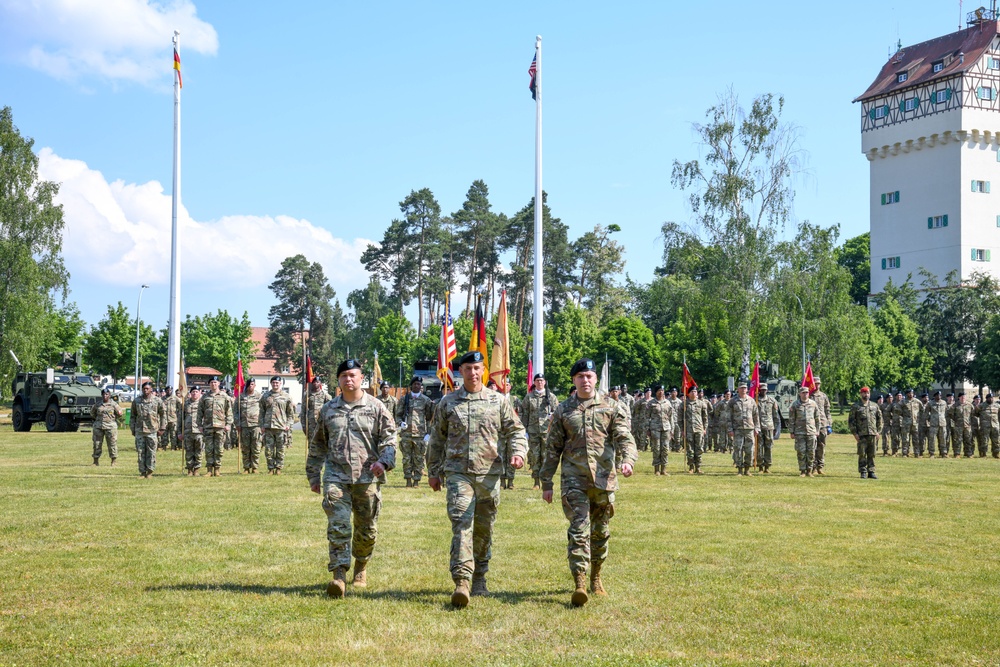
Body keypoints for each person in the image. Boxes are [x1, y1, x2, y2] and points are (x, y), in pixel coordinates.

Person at [427, 350, 527, 608]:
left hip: (489, 475)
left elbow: (515, 430)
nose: (473, 373)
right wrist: (433, 471)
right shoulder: (448, 403)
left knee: (484, 529)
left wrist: (518, 452)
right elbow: (437, 439)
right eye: (468, 369)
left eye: (477, 368)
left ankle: (480, 576)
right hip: (458, 474)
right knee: (462, 525)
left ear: (483, 370)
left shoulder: (498, 401)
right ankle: (462, 581)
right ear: (461, 372)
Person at [541, 358, 636, 607]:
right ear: (574, 380)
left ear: (596, 379)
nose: (585, 380)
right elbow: (552, 448)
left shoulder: (612, 407)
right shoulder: (564, 410)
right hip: (574, 480)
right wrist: (546, 481)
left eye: (589, 376)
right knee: (579, 531)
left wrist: (628, 461)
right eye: (580, 376)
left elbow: (624, 438)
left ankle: (596, 576)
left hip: (604, 480)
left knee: (600, 532)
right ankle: (580, 582)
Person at [307, 359, 396, 598]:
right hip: (336, 476)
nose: (348, 379)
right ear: (338, 380)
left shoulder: (377, 407)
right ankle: (339, 574)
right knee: (338, 526)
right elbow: (317, 444)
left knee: (366, 530)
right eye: (344, 375)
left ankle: (361, 565)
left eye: (353, 375)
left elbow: (389, 439)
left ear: (361, 378)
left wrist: (384, 461)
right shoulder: (329, 409)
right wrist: (314, 474)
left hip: (367, 478)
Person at [395, 376, 435, 488]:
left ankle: (416, 480)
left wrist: (428, 433)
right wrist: (400, 423)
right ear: (411, 386)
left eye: (419, 384)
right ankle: (408, 479)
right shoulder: (404, 399)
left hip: (420, 434)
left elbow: (429, 418)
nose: (417, 386)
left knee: (419, 459)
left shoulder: (426, 400)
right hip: (406, 434)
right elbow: (398, 415)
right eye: (415, 384)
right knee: (407, 458)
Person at [520, 374, 559, 490]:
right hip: (533, 431)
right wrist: (524, 430)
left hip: (547, 431)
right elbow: (524, 413)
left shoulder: (551, 397)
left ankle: (545, 481)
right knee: (534, 456)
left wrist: (553, 416)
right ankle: (536, 481)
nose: (540, 382)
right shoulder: (529, 397)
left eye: (542, 380)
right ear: (534, 382)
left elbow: (557, 412)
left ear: (545, 382)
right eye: (537, 380)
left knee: (546, 456)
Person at [198, 376, 233, 476]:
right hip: (208, 426)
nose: (214, 384)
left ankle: (217, 469)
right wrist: (199, 425)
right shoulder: (205, 397)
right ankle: (209, 470)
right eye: (212, 382)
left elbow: (229, 411)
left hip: (220, 426)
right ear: (209, 384)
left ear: (219, 384)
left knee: (219, 449)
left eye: (215, 382)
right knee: (208, 449)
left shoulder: (224, 396)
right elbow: (200, 412)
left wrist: (228, 424)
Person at [260, 376, 295, 474]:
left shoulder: (286, 396)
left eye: (277, 383)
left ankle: (278, 467)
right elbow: (261, 412)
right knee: (269, 450)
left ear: (281, 384)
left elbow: (290, 414)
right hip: (268, 427)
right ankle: (270, 468)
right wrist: (262, 425)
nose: (275, 384)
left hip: (281, 426)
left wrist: (288, 425)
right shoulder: (266, 396)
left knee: (281, 449)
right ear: (271, 384)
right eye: (273, 383)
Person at [130, 381, 165, 479]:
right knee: (140, 452)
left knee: (151, 452)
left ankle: (150, 471)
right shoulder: (137, 401)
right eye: (144, 389)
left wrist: (162, 428)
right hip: (140, 430)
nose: (145, 390)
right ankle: (142, 472)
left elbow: (163, 415)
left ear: (151, 390)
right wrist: (132, 428)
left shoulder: (157, 401)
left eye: (147, 389)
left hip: (152, 430)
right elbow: (133, 416)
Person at [849, 386, 883, 479]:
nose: (866, 395)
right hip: (861, 434)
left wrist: (878, 431)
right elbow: (851, 421)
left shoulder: (874, 406)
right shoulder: (856, 406)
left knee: (872, 454)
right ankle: (863, 471)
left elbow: (880, 419)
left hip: (872, 433)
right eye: (864, 393)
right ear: (861, 394)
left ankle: (871, 471)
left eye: (867, 393)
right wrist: (855, 433)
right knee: (862, 453)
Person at [728, 382, 760, 476]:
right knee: (738, 449)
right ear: (738, 389)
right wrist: (730, 429)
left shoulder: (751, 401)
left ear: (747, 389)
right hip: (737, 429)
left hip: (749, 429)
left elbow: (756, 415)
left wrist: (757, 427)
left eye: (745, 388)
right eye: (741, 388)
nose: (743, 390)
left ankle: (747, 469)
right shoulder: (733, 401)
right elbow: (728, 417)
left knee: (750, 450)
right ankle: (739, 469)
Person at [788, 385, 820, 477]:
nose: (805, 394)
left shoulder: (813, 404)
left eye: (806, 392)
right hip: (799, 432)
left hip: (811, 432)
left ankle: (809, 470)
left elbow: (817, 418)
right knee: (801, 452)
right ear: (800, 394)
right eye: (803, 393)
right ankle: (802, 470)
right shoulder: (795, 404)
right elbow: (791, 419)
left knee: (811, 452)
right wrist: (791, 432)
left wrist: (817, 430)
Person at [90, 388, 123, 466]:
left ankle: (113, 461)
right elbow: (92, 413)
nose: (105, 396)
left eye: (107, 394)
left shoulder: (114, 404)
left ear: (109, 395)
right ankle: (95, 461)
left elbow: (120, 414)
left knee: (112, 444)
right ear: (101, 395)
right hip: (98, 427)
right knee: (97, 444)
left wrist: (111, 420)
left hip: (110, 427)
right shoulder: (98, 404)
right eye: (104, 394)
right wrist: (98, 420)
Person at [646, 385, 673, 476]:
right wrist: (647, 429)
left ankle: (664, 469)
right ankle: (656, 469)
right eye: (659, 391)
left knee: (665, 448)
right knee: (656, 448)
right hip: (655, 428)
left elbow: (671, 417)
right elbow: (647, 417)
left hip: (666, 428)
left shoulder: (668, 403)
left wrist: (672, 429)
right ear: (656, 392)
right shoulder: (651, 403)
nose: (661, 392)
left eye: (662, 390)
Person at [683, 386, 710, 474]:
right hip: (688, 429)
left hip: (699, 428)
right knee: (690, 449)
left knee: (699, 448)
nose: (694, 393)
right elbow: (680, 418)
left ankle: (698, 467)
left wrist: (704, 428)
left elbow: (705, 417)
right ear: (688, 393)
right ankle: (691, 467)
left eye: (695, 392)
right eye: (692, 392)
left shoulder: (701, 403)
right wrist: (682, 429)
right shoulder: (684, 404)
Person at [239, 378, 263, 473]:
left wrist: (262, 423)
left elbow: (263, 410)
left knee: (256, 447)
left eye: (252, 384)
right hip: (244, 425)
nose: (250, 386)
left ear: (255, 385)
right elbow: (236, 411)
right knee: (245, 448)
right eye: (249, 385)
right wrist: (237, 423)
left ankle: (255, 467)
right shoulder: (241, 396)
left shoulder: (260, 397)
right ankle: (246, 467)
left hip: (256, 425)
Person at [755, 384, 781, 474]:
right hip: (758, 427)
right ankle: (760, 466)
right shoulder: (755, 400)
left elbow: (775, 415)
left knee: (768, 447)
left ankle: (767, 466)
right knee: (759, 447)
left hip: (769, 427)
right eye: (762, 390)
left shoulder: (772, 401)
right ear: (759, 390)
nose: (763, 391)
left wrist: (776, 428)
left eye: (765, 390)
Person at [302, 376, 333, 447]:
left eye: (317, 382)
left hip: (322, 423)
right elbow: (303, 411)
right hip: (311, 424)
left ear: (320, 383)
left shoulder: (325, 395)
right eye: (314, 382)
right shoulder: (308, 395)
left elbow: (330, 409)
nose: (315, 383)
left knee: (323, 443)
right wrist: (304, 425)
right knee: (311, 443)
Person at [810, 377, 832, 475]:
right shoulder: (809, 396)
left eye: (818, 383)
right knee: (813, 446)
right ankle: (813, 467)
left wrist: (829, 424)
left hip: (823, 423)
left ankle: (820, 466)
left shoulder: (823, 396)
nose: (817, 385)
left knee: (821, 446)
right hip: (812, 424)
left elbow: (827, 411)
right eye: (815, 383)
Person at [181, 385, 204, 475]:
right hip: (188, 430)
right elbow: (181, 418)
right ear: (190, 393)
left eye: (196, 392)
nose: (194, 393)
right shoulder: (185, 403)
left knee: (199, 451)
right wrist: (180, 432)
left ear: (200, 393)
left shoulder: (203, 403)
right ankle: (190, 469)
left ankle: (196, 469)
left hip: (199, 431)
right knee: (189, 451)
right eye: (193, 392)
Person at [926, 391, 947, 458]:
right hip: (933, 424)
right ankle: (932, 453)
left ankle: (943, 453)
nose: (939, 396)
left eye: (940, 395)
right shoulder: (930, 403)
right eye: (937, 395)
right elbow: (926, 412)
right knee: (932, 439)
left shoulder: (944, 403)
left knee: (943, 439)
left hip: (942, 423)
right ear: (934, 396)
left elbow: (946, 412)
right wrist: (930, 419)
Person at [952, 393, 974, 458]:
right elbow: (951, 414)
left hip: (967, 426)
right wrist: (956, 420)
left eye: (964, 397)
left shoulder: (969, 405)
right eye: (961, 397)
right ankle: (957, 453)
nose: (963, 398)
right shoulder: (955, 405)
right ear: (959, 397)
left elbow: (973, 414)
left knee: (968, 440)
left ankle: (968, 453)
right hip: (958, 426)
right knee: (958, 440)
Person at [161, 386, 181, 451]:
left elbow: (180, 405)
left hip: (173, 419)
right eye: (167, 390)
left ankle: (173, 447)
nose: (169, 391)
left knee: (173, 434)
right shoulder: (162, 399)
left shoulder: (175, 398)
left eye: (170, 390)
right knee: (164, 434)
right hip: (164, 419)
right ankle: (164, 447)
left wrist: (178, 413)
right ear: (165, 391)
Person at [980, 393, 1000, 457]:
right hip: (985, 426)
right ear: (987, 398)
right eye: (990, 398)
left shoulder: (997, 406)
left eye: (992, 398)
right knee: (984, 440)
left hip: (995, 426)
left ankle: (996, 453)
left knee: (996, 440)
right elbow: (975, 413)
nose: (991, 399)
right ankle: (984, 453)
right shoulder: (981, 406)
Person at [668, 387, 683, 453]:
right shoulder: (667, 401)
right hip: (669, 421)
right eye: (672, 392)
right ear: (671, 393)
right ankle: (670, 447)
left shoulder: (679, 402)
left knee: (677, 436)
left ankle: (677, 448)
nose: (674, 393)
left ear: (677, 393)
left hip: (677, 421)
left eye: (675, 392)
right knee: (669, 435)